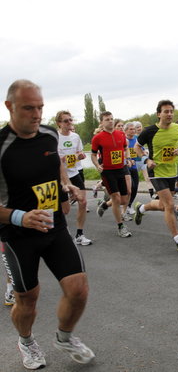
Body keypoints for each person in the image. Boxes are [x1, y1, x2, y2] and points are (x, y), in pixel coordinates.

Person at [0, 80, 94, 369]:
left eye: (40, 107)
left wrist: (66, 185)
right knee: (27, 298)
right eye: (28, 108)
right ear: (9, 107)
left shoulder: (49, 134)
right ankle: (26, 340)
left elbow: (56, 164)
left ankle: (64, 337)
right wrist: (21, 217)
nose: (36, 114)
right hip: (17, 236)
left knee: (78, 289)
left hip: (54, 226)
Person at [133, 100, 178, 252]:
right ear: (158, 114)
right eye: (166, 111)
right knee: (170, 205)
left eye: (171, 111)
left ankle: (141, 208)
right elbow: (137, 147)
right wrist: (147, 160)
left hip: (172, 171)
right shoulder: (149, 131)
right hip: (157, 172)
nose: (169, 114)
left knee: (162, 205)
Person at [91, 112, 132, 237]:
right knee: (116, 198)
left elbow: (126, 148)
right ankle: (120, 226)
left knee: (124, 200)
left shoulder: (120, 134)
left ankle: (104, 204)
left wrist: (128, 158)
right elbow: (92, 154)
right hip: (107, 171)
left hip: (121, 169)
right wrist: (97, 166)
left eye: (111, 119)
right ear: (102, 122)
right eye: (107, 119)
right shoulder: (97, 138)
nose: (110, 121)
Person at [55, 110, 93, 245]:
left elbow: (79, 151)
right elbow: (56, 159)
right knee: (65, 210)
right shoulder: (55, 137)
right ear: (59, 123)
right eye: (66, 121)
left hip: (74, 172)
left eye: (71, 120)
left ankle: (79, 234)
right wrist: (63, 159)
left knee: (83, 202)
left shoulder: (75, 136)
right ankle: (60, 233)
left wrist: (81, 155)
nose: (69, 123)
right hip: (59, 177)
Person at [124, 122, 140, 215]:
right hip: (125, 167)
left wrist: (144, 152)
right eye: (131, 129)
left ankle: (129, 205)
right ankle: (125, 205)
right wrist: (127, 160)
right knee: (131, 186)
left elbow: (139, 150)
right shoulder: (123, 140)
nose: (133, 130)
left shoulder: (137, 139)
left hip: (134, 166)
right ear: (126, 130)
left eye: (134, 129)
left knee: (136, 187)